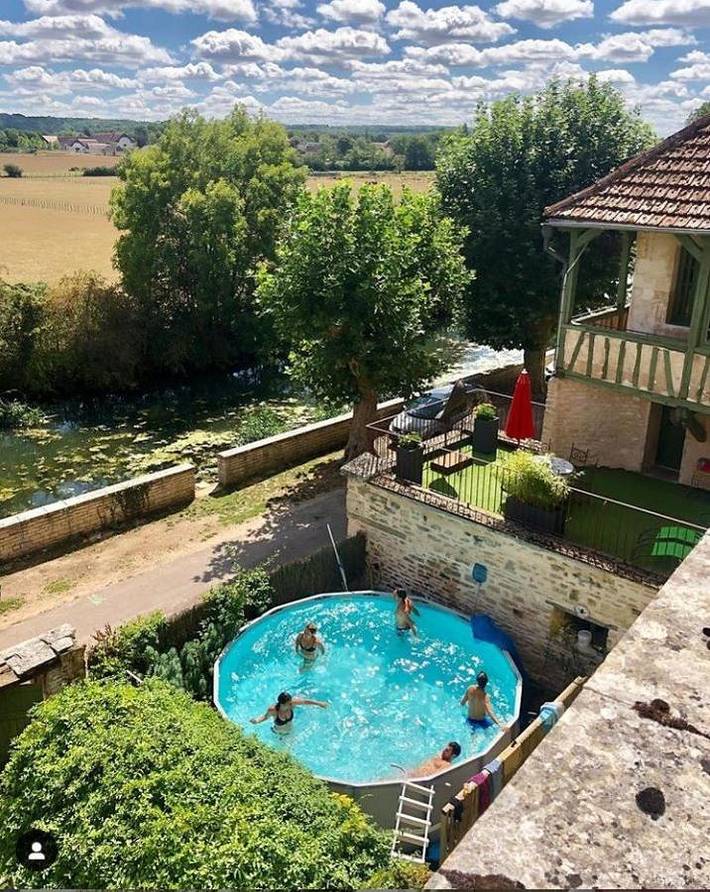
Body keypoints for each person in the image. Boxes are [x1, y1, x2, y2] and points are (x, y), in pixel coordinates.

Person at [250, 691, 328, 734]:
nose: (292, 703)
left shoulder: (292, 702)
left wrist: (319, 703)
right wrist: (256, 721)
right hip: (278, 733)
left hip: (291, 731)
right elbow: (265, 717)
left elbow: (305, 701)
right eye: (289, 703)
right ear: (282, 704)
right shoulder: (273, 710)